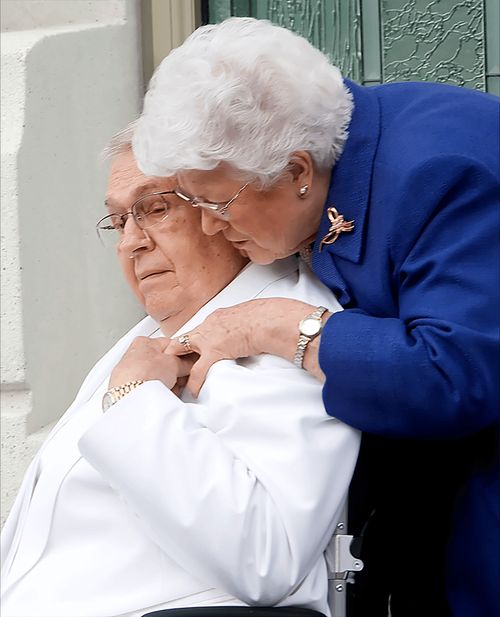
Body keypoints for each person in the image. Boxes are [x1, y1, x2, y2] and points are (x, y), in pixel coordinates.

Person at [132, 17, 500, 617]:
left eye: (217, 203)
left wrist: (278, 326)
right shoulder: (348, 158)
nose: (207, 227)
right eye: (191, 203)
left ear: (297, 172)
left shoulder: (440, 175)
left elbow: (454, 374)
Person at [0, 141, 360, 617]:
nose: (131, 241)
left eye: (155, 208)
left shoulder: (278, 333)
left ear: (220, 209)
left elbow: (268, 555)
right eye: (119, 220)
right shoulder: (157, 332)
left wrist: (133, 398)